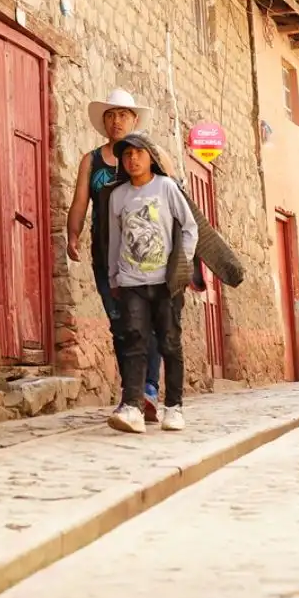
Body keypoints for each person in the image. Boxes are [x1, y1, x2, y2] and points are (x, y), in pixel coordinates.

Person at [67, 89, 164, 419]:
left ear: (135, 120)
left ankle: (147, 390)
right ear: (104, 123)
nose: (116, 120)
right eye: (110, 115)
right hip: (107, 255)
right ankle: (133, 393)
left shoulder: (150, 155)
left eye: (123, 114)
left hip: (146, 255)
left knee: (146, 323)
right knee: (121, 324)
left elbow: (173, 197)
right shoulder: (91, 161)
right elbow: (80, 201)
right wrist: (73, 234)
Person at [99, 132, 196, 435]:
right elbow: (114, 240)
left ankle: (175, 407)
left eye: (137, 153)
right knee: (134, 340)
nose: (132, 159)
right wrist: (114, 275)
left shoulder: (166, 188)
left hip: (165, 281)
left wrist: (183, 265)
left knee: (169, 342)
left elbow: (190, 227)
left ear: (150, 157)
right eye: (126, 155)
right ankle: (133, 407)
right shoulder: (118, 196)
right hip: (131, 282)